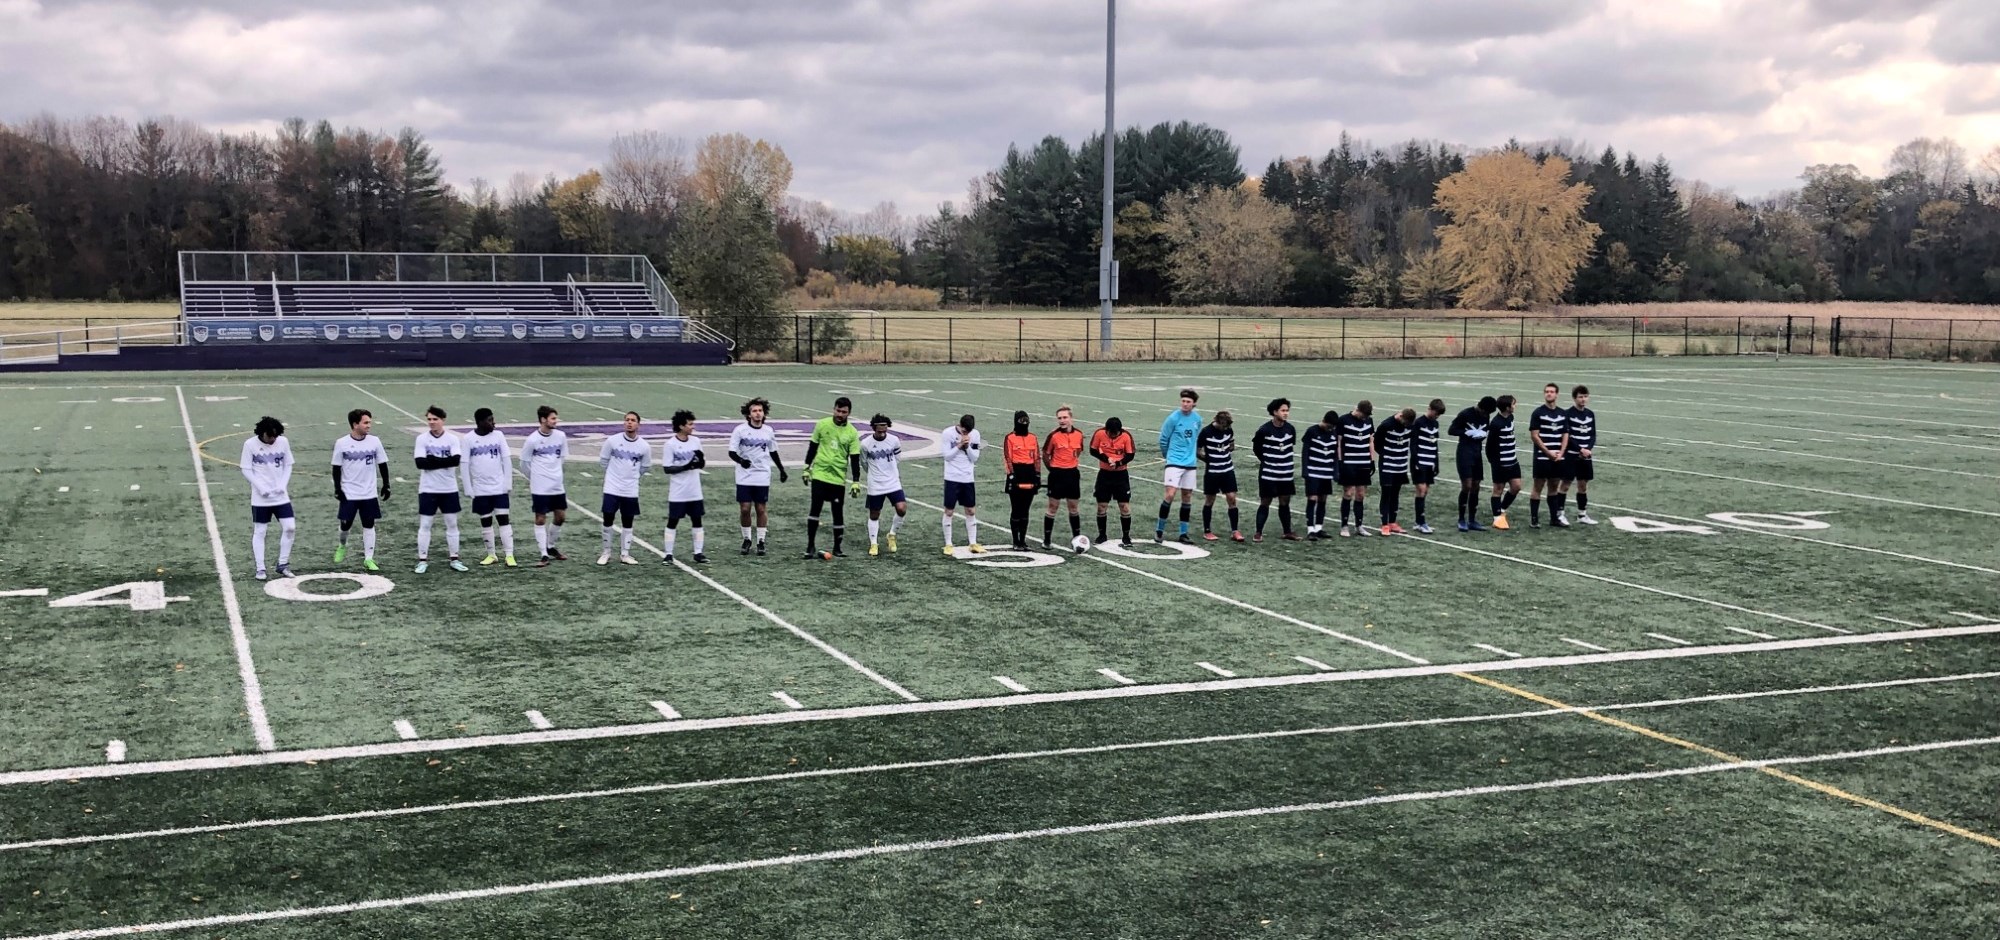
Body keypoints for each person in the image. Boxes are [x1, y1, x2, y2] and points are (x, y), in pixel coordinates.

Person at [330, 408, 390, 571]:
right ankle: (342, 545)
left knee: (369, 524)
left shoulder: (375, 441)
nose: (369, 425)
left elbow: (382, 463)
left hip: (369, 492)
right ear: (355, 424)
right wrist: (338, 488)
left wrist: (386, 484)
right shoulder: (342, 443)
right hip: (349, 492)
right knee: (345, 525)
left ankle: (368, 558)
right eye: (366, 422)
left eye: (369, 422)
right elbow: (336, 468)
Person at [803, 396, 862, 560]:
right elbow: (813, 447)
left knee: (838, 513)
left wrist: (856, 481)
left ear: (849, 413)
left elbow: (855, 458)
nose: (840, 414)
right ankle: (810, 546)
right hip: (820, 475)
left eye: (844, 412)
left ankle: (837, 547)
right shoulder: (822, 424)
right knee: (815, 509)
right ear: (833, 409)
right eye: (838, 410)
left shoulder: (852, 432)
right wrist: (806, 468)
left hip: (838, 478)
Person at [728, 398, 788, 556]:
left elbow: (773, 451)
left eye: (760, 411)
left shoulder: (768, 431)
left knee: (761, 508)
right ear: (748, 414)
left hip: (762, 474)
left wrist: (781, 469)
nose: (757, 413)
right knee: (745, 508)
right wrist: (741, 461)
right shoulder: (740, 430)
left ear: (764, 413)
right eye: (754, 411)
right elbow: (731, 452)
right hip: (744, 475)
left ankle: (761, 540)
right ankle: (747, 538)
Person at [412, 405, 468, 573]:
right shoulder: (422, 439)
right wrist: (442, 461)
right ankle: (422, 560)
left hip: (449, 488)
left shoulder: (452, 439)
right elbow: (420, 463)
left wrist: (433, 460)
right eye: (429, 419)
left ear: (443, 420)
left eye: (435, 419)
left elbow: (455, 461)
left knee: (452, 523)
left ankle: (454, 558)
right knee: (426, 524)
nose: (431, 422)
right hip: (428, 489)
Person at [240, 416, 296, 580]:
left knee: (290, 527)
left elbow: (288, 465)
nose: (273, 440)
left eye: (275, 436)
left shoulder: (283, 442)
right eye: (270, 436)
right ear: (262, 433)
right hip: (260, 498)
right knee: (260, 531)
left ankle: (283, 564)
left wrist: (283, 484)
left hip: (280, 497)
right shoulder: (250, 445)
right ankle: (260, 568)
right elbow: (246, 469)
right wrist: (260, 487)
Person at [461, 408, 517, 567]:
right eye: (490, 420)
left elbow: (506, 459)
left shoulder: (498, 436)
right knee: (485, 521)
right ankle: (491, 554)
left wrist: (508, 483)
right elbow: (464, 464)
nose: (493, 423)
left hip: (498, 487)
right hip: (480, 489)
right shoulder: (468, 439)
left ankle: (509, 555)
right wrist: (468, 487)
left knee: (503, 519)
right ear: (480, 422)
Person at [597, 410, 651, 566]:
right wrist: (614, 477)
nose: (629, 422)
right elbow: (604, 461)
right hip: (612, 488)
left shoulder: (644, 446)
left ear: (638, 424)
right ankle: (606, 552)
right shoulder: (612, 441)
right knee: (608, 519)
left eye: (633, 420)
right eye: (627, 420)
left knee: (628, 521)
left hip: (630, 489)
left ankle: (625, 554)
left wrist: (631, 477)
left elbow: (645, 467)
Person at [519, 405, 570, 566]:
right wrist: (535, 477)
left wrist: (555, 473)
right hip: (540, 486)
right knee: (540, 518)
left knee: (560, 517)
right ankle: (543, 555)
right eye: (553, 418)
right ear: (543, 420)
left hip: (556, 485)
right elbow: (524, 463)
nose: (556, 421)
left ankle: (550, 546)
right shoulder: (532, 440)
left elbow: (562, 457)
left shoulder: (561, 436)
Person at [661, 409, 708, 563]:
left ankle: (698, 552)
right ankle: (668, 553)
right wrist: (686, 466)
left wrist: (699, 462)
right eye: (690, 424)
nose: (692, 427)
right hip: (678, 491)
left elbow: (701, 463)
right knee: (673, 521)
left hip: (694, 490)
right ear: (681, 426)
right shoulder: (670, 444)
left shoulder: (696, 441)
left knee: (697, 520)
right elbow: (667, 468)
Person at [1156, 388, 1202, 544]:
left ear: (1194, 404)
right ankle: (1159, 530)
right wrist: (1167, 456)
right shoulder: (1173, 418)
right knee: (1170, 494)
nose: (1185, 404)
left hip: (1190, 463)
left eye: (1188, 402)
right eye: (1183, 401)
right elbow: (1163, 439)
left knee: (1187, 497)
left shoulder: (1197, 419)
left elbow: (1195, 439)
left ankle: (1183, 533)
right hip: (1174, 461)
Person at [1251, 399, 1299, 542]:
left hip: (1285, 473)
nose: (1286, 413)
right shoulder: (1264, 430)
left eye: (1287, 410)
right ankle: (1258, 532)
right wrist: (1267, 461)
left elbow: (1290, 447)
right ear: (1274, 412)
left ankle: (1287, 531)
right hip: (1268, 473)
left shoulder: (1290, 429)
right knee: (1265, 502)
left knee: (1285, 502)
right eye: (1283, 410)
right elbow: (1256, 448)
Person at [861, 414, 908, 556]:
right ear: (874, 428)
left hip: (893, 482)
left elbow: (897, 457)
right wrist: (875, 474)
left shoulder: (894, 440)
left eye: (884, 431)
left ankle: (892, 534)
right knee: (874, 514)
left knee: (902, 508)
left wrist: (890, 471)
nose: (882, 434)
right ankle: (874, 543)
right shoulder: (865, 444)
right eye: (879, 431)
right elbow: (863, 463)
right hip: (875, 483)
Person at [1041, 406, 1085, 549]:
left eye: (1065, 417)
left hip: (1072, 474)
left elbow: (1078, 451)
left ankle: (1076, 539)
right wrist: (1053, 469)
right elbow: (1046, 455)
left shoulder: (1079, 434)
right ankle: (1047, 540)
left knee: (1073, 507)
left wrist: (1070, 463)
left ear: (1071, 418)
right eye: (1059, 418)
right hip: (1057, 474)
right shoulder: (1053, 436)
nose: (1062, 420)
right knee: (1053, 507)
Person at [1528, 383, 1571, 529]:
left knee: (1553, 487)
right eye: (1546, 392)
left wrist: (1561, 452)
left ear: (1557, 394)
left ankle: (1554, 518)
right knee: (1538, 487)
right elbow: (1535, 436)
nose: (1549, 394)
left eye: (1552, 392)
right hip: (1542, 457)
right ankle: (1534, 519)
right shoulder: (1538, 413)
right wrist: (1548, 452)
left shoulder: (1562, 413)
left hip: (1558, 457)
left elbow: (1565, 434)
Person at [941, 414, 985, 554]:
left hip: (967, 477)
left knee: (971, 510)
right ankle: (948, 544)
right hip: (952, 477)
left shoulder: (975, 435)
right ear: (959, 426)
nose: (966, 434)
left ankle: (973, 542)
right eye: (964, 431)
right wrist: (959, 445)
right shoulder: (948, 433)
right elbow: (947, 456)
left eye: (968, 432)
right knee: (949, 511)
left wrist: (967, 447)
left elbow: (974, 458)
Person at [1450, 397, 1495, 532]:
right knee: (1467, 485)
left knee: (1476, 485)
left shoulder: (1486, 415)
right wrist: (1466, 433)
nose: (1485, 415)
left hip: (1477, 452)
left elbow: (1485, 430)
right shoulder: (1465, 414)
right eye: (1484, 412)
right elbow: (1451, 430)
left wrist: (1482, 434)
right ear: (1480, 407)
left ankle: (1472, 519)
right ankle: (1461, 519)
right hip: (1464, 452)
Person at [1089, 416, 1135, 547]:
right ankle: (1102, 534)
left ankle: (1126, 536)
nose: (1112, 436)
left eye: (1115, 434)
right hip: (1104, 474)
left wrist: (1119, 462)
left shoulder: (1126, 436)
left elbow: (1130, 455)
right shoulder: (1099, 433)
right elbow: (1093, 450)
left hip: (1121, 475)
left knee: (1124, 506)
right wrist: (1106, 459)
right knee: (1102, 506)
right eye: (1110, 433)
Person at [1199, 410, 1244, 542]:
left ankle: (1235, 530)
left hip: (1227, 470)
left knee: (1232, 498)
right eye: (1224, 426)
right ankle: (1207, 530)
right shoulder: (1206, 432)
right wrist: (1210, 460)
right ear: (1217, 422)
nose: (1226, 428)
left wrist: (1227, 450)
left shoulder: (1229, 430)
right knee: (1210, 500)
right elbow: (1198, 451)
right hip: (1212, 472)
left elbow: (1231, 445)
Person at [1336, 401, 1377, 537]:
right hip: (1349, 462)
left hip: (1363, 462)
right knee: (1348, 493)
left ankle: (1359, 525)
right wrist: (1340, 461)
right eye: (1364, 414)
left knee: (1360, 495)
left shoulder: (1369, 421)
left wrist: (1372, 460)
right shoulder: (1343, 420)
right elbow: (1339, 442)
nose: (1365, 417)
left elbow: (1371, 440)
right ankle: (1344, 525)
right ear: (1358, 410)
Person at [1003, 410, 1043, 550]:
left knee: (1025, 510)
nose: (1024, 424)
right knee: (1016, 509)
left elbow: (1037, 457)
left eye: (1026, 421)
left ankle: (1023, 541)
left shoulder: (1033, 437)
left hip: (1029, 473)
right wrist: (1012, 475)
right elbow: (1008, 458)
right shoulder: (1010, 438)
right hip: (1017, 473)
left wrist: (1037, 475)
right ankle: (1015, 541)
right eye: (1021, 421)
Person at [1301, 410, 1340, 540]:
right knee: (1312, 499)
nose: (1331, 429)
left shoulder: (1333, 433)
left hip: (1326, 472)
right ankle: (1310, 528)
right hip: (1313, 471)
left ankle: (1319, 527)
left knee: (1323, 500)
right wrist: (1305, 470)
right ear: (1324, 421)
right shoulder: (1311, 431)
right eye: (1329, 426)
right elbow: (1305, 452)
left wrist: (1335, 471)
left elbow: (1335, 454)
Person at [1486, 394, 1524, 530]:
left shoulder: (1511, 418)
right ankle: (1497, 517)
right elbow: (1489, 447)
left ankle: (1501, 508)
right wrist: (1495, 463)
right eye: (1513, 404)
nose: (1515, 406)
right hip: (1500, 463)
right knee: (1498, 490)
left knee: (1516, 486)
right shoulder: (1496, 423)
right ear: (1507, 407)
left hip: (1512, 460)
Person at [1375, 407, 1414, 535]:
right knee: (1386, 493)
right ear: (1401, 416)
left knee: (1396, 493)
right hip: (1387, 465)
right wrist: (1387, 455)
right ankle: (1384, 524)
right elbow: (1377, 444)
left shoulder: (1409, 426)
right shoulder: (1386, 425)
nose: (1406, 426)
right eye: (1405, 423)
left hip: (1401, 465)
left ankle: (1392, 522)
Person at [1562, 385, 1598, 525]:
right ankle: (1560, 513)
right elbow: (1567, 436)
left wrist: (1588, 448)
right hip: (1571, 455)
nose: (1583, 399)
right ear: (1574, 398)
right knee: (1565, 484)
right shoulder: (1568, 414)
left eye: (1585, 396)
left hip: (1586, 456)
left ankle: (1582, 514)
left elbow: (1593, 434)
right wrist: (1579, 449)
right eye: (1580, 397)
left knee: (1583, 485)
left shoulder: (1590, 414)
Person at [1411, 399, 1445, 535]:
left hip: (1430, 461)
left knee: (1425, 491)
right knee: (1421, 489)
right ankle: (1421, 522)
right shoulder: (1419, 423)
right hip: (1420, 461)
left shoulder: (1435, 424)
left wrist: (1436, 463)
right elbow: (1413, 444)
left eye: (1438, 415)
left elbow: (1434, 444)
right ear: (1429, 409)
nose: (1436, 417)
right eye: (1435, 413)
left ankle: (1418, 521)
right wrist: (1415, 461)